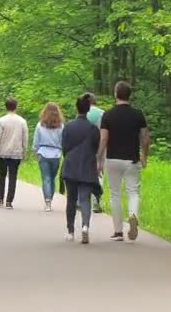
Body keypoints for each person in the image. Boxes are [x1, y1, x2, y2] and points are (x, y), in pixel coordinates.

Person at [97, 81, 150, 242]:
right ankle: (133, 215)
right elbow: (145, 138)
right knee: (133, 191)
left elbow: (104, 138)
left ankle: (118, 232)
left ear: (115, 94)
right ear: (130, 95)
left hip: (112, 159)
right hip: (132, 160)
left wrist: (99, 158)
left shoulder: (108, 115)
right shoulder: (138, 114)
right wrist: (144, 156)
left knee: (115, 195)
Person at [61, 94, 101, 244]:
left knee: (71, 199)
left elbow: (64, 147)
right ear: (88, 109)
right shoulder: (93, 129)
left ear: (76, 108)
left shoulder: (69, 126)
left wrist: (69, 157)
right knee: (85, 198)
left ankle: (70, 232)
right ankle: (85, 226)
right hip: (87, 166)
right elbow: (96, 148)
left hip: (71, 166)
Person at [0, 98, 28, 209]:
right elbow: (25, 138)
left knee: (1, 175)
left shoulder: (1, 121)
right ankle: (9, 201)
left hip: (3, 152)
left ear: (6, 107)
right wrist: (24, 151)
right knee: (13, 176)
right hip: (16, 153)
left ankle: (0, 198)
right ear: (16, 107)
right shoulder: (22, 121)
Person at [33, 102, 64, 212]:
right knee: (52, 178)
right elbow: (62, 142)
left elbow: (36, 142)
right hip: (56, 154)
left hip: (43, 152)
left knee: (45, 178)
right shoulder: (61, 126)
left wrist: (35, 152)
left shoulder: (40, 125)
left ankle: (47, 202)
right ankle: (50, 198)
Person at [86, 92, 105, 213]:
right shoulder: (102, 113)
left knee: (83, 172)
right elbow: (105, 133)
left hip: (83, 148)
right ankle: (96, 201)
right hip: (99, 147)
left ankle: (81, 199)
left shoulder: (82, 112)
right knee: (99, 173)